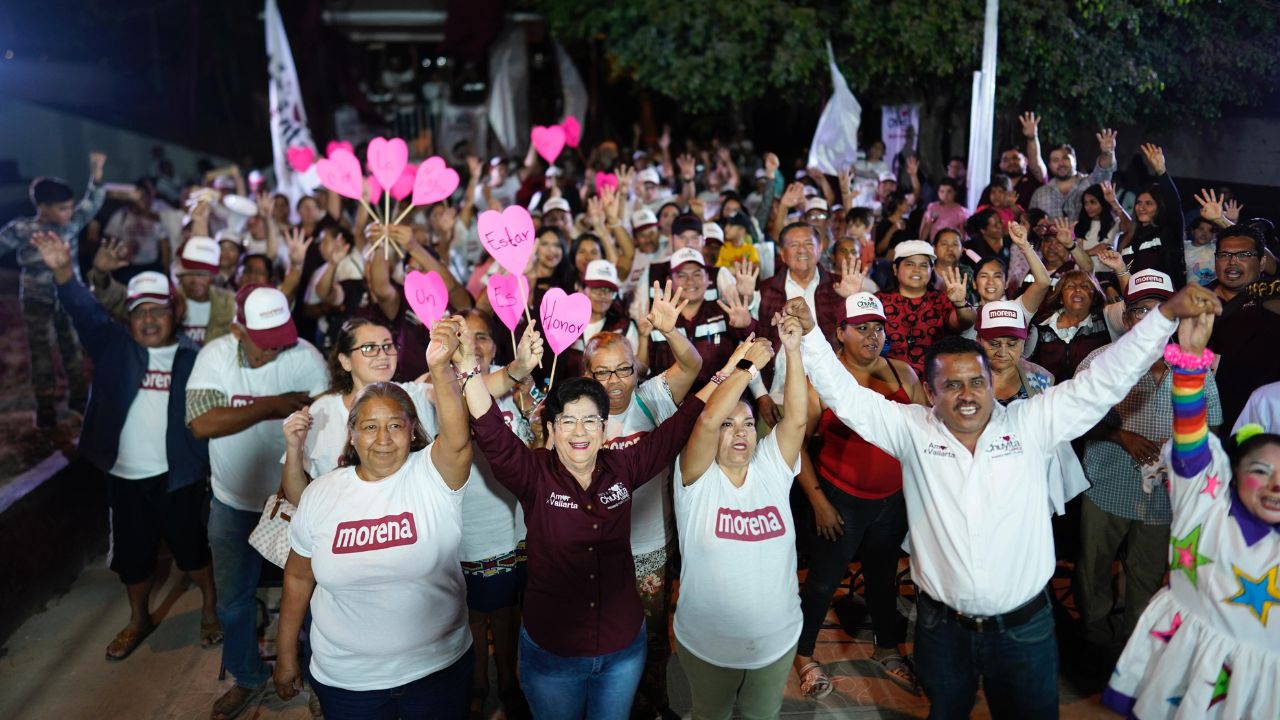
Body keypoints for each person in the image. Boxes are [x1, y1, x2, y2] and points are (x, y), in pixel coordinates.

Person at [782, 279, 1223, 719]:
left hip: (1024, 628)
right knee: (947, 711)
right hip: (941, 628)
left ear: (991, 384)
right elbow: (846, 396)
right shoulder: (910, 429)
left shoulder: (1031, 424)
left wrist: (1164, 318)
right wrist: (812, 335)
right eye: (951, 385)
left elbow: (1102, 383)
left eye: (976, 381)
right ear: (930, 395)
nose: (967, 394)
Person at [458, 328, 710, 720]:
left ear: (604, 429)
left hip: (621, 649)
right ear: (554, 428)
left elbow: (681, 425)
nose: (580, 432)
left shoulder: (624, 467)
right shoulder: (533, 474)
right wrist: (466, 369)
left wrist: (738, 369)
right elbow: (490, 428)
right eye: (569, 421)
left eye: (591, 421)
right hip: (553, 654)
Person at [273, 319, 475, 717]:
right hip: (348, 682)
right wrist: (285, 655)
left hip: (436, 672)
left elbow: (456, 437)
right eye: (370, 427)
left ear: (412, 430)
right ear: (352, 435)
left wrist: (441, 369)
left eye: (395, 426)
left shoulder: (433, 476)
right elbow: (298, 576)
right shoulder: (322, 494)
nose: (383, 439)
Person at [33, 232, 219, 661]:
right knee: (133, 559)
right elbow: (82, 309)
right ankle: (140, 618)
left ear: (175, 313)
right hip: (124, 479)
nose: (150, 319)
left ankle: (210, 606)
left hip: (178, 479)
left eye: (159, 309)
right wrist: (63, 270)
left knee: (192, 550)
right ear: (128, 318)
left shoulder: (196, 358)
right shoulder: (113, 346)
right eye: (140, 311)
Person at [1102, 312, 1279, 719]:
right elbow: (1192, 441)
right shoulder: (1205, 504)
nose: (1275, 486)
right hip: (1182, 672)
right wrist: (1191, 358)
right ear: (1233, 474)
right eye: (1260, 471)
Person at [186, 284, 329, 720]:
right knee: (233, 602)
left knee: (312, 600)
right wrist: (273, 405)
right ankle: (247, 678)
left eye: (279, 341)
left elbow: (327, 420)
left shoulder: (305, 356)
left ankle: (316, 679)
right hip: (234, 502)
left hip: (297, 503)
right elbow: (202, 422)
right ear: (237, 329)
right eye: (263, 344)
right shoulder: (214, 355)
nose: (274, 352)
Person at [1074, 269, 1223, 658]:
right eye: (1141, 309)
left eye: (1161, 308)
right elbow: (1073, 421)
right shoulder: (1099, 360)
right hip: (1106, 484)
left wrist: (1180, 444)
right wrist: (1123, 436)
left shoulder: (1194, 366)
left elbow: (1214, 426)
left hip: (1164, 494)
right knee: (1094, 567)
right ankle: (1094, 637)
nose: (1151, 317)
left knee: (1147, 572)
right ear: (1128, 319)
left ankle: (1134, 649)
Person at [793, 293, 926, 699]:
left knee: (883, 578)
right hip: (840, 498)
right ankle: (804, 654)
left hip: (891, 499)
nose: (872, 335)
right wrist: (819, 502)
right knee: (822, 583)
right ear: (840, 332)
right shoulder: (823, 380)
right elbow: (795, 443)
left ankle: (887, 647)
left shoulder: (904, 373)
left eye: (878, 326)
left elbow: (923, 435)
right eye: (861, 327)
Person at [583, 281, 703, 720]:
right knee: (601, 637)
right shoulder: (577, 417)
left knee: (652, 636)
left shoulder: (654, 399)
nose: (615, 383)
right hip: (594, 551)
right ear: (587, 376)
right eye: (603, 373)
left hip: (651, 546)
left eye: (624, 370)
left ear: (637, 371)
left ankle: (653, 703)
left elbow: (692, 363)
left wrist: (672, 333)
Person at [671, 327, 801, 719]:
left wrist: (793, 351)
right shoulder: (694, 477)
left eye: (747, 423)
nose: (739, 432)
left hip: (776, 641)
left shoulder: (771, 469)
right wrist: (747, 367)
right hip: (708, 645)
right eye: (730, 425)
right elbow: (707, 419)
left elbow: (794, 422)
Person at [0, 152, 106, 427]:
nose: (69, 213)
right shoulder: (22, 230)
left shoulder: (70, 224)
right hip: (38, 299)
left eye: (70, 207)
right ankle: (45, 407)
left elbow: (92, 204)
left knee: (72, 348)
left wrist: (96, 172)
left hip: (68, 299)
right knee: (41, 352)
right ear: (43, 207)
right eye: (62, 208)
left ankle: (80, 399)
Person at [875, 239, 974, 375]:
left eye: (923, 265)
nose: (917, 270)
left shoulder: (941, 299)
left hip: (936, 376)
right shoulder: (879, 300)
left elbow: (964, 322)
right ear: (895, 269)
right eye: (910, 264)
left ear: (931, 270)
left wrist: (959, 304)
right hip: (888, 378)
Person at [1115, 144, 1187, 286]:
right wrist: (1110, 286)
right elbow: (1119, 270)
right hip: (1130, 301)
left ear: (1160, 207)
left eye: (1148, 203)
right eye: (1139, 202)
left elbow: (1174, 205)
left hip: (1163, 301)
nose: (1141, 207)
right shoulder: (1127, 237)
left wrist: (1161, 171)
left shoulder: (1168, 232)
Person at [1030, 269, 1112, 381]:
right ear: (1060, 298)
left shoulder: (1106, 321)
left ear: (1094, 297)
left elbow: (1133, 306)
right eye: (1070, 286)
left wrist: (1121, 270)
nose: (1078, 289)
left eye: (1085, 286)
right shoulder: (1040, 327)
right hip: (1050, 396)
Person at [1028, 128, 1118, 220]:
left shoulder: (1091, 182)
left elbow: (1103, 170)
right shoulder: (1039, 194)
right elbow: (1031, 224)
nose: (1061, 164)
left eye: (1065, 158)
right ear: (1049, 165)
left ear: (1074, 160)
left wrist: (1107, 153)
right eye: (1055, 160)